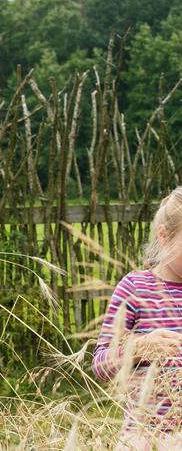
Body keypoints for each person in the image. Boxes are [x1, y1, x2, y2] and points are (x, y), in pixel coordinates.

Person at [92, 187, 182, 450]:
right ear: (164, 236)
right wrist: (138, 348)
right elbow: (100, 366)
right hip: (146, 439)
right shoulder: (135, 288)